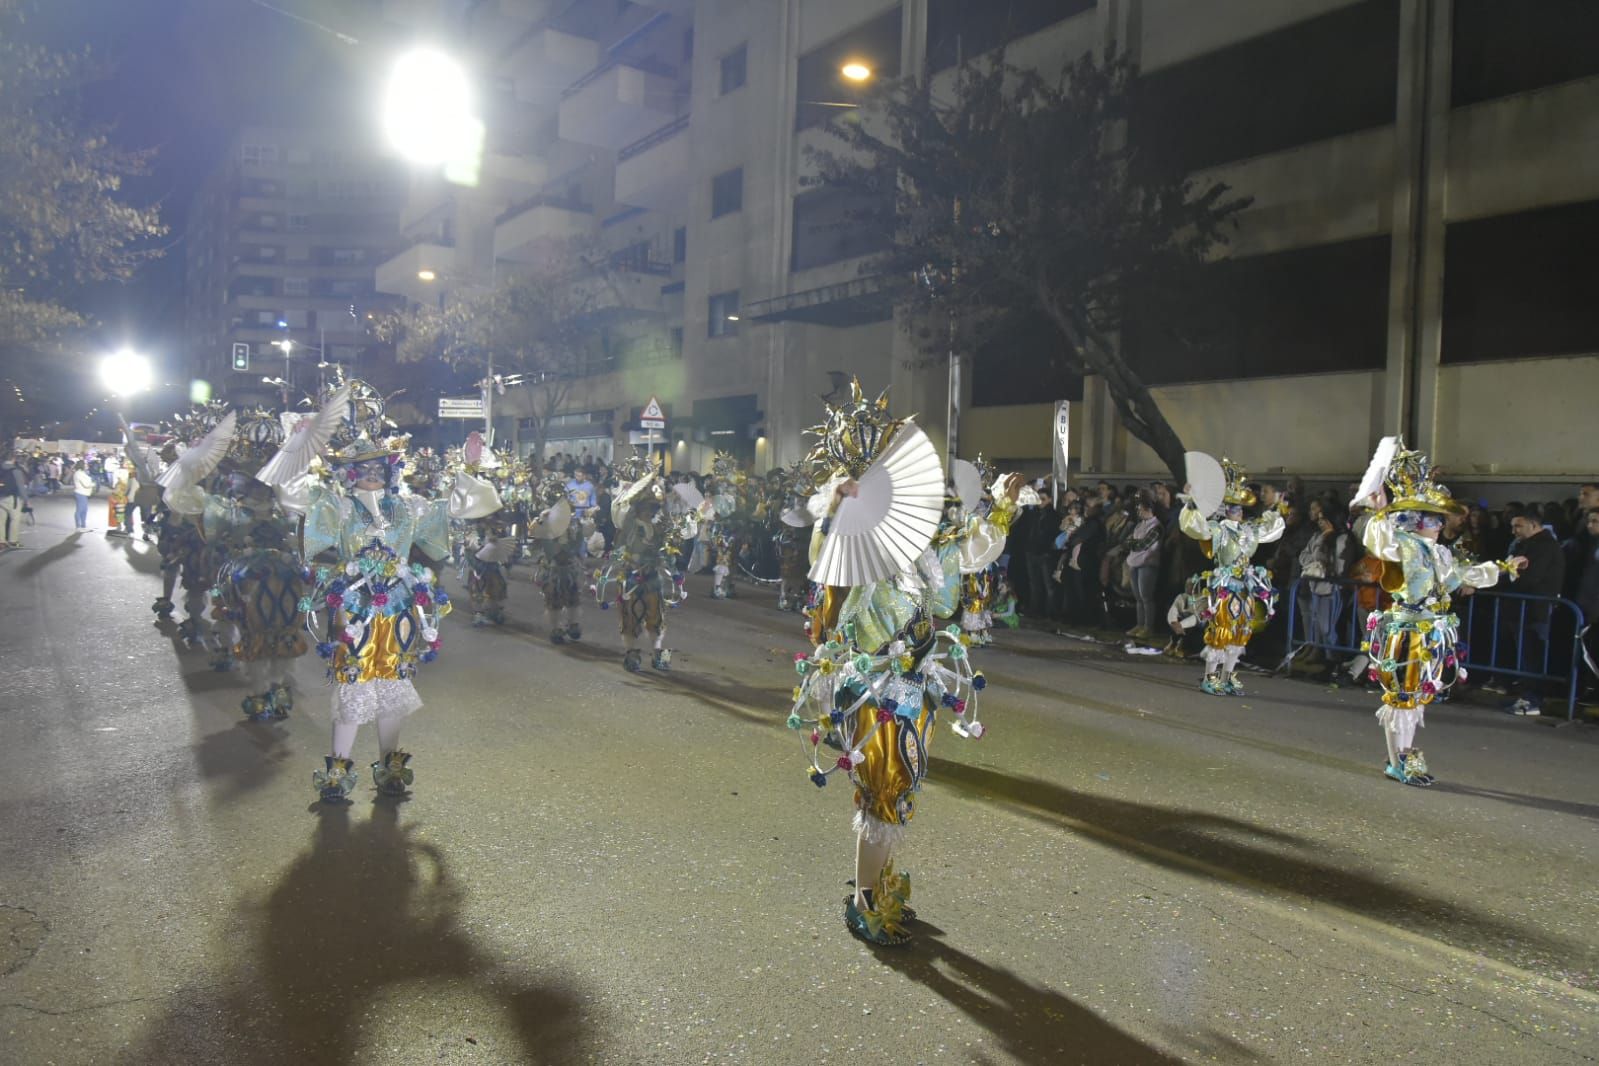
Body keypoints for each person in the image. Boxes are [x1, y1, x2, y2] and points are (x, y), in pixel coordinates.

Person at [787, 380, 1019, 946]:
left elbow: (968, 554)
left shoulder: (923, 545)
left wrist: (1003, 508)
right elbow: (826, 561)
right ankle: (865, 905)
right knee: (883, 792)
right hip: (873, 689)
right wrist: (836, 508)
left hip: (915, 685)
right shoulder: (856, 546)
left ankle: (881, 887)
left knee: (899, 787)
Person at [1356, 442, 1524, 785]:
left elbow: (1461, 575)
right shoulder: (1402, 545)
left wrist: (1503, 568)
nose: (1438, 524)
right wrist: (1381, 512)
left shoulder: (1439, 553)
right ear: (1415, 520)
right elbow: (1379, 542)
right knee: (1402, 696)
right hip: (1406, 631)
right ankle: (1398, 761)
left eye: (1439, 518)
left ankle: (1403, 756)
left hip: (1430, 632)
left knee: (1418, 696)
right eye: (1432, 518)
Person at [1179, 459, 1285, 695]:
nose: (1238, 512)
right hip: (1225, 588)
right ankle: (1210, 677)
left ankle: (1227, 677)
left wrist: (1277, 507)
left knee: (1240, 633)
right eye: (1233, 508)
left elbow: (1272, 530)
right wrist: (1192, 504)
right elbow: (1195, 528)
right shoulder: (1218, 529)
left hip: (1245, 588)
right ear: (1225, 509)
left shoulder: (1249, 530)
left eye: (1240, 508)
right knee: (1221, 631)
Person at [1499, 506, 1566, 716]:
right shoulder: (1525, 545)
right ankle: (1526, 696)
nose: (1514, 531)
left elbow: (1530, 579)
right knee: (1526, 656)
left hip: (1534, 611)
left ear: (1533, 524)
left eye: (1518, 526)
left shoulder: (1545, 547)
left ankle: (1532, 700)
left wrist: (1507, 576)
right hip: (1521, 610)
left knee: (1532, 656)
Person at [1125, 495, 1163, 641]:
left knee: (1146, 597)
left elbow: (1143, 545)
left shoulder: (1156, 527)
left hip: (1147, 564)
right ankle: (1139, 624)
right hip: (1134, 562)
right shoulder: (1140, 525)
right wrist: (1132, 543)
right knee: (1138, 598)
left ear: (1149, 509)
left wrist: (1132, 543)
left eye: (1140, 509)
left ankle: (1148, 627)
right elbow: (1128, 541)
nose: (1138, 512)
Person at [0, 456, 27, 550]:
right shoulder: (16, 470)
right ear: (13, 459)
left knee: (1, 521)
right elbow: (21, 486)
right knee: (14, 519)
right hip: (13, 498)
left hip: (0, 497)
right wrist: (26, 500)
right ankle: (13, 541)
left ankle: (1, 542)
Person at [71, 461, 95, 529]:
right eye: (86, 464)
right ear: (82, 465)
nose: (87, 466)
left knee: (84, 510)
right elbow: (86, 484)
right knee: (80, 510)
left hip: (83, 493)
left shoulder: (81, 473)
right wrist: (93, 484)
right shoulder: (79, 474)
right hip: (80, 493)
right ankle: (78, 526)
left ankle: (83, 526)